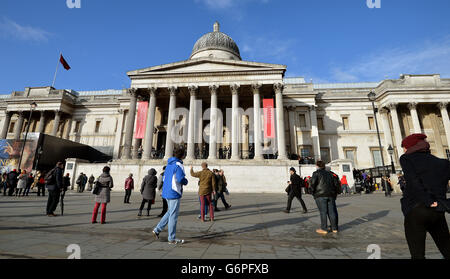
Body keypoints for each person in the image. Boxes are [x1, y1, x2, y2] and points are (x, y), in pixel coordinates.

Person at [399, 133, 450, 259]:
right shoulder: (443, 163)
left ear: (411, 147)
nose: (404, 150)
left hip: (416, 210)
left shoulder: (406, 159)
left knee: (417, 255)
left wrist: (427, 200)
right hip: (438, 211)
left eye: (404, 147)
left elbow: (413, 181)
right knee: (447, 249)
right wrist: (446, 203)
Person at [152, 148, 188, 244]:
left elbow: (164, 177)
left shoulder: (169, 164)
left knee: (170, 212)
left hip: (166, 191)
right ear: (182, 156)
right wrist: (186, 181)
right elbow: (180, 179)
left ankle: (157, 230)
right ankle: (171, 238)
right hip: (174, 192)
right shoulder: (178, 165)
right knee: (173, 216)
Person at [309, 161, 340, 235]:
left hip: (320, 195)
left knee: (323, 212)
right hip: (330, 195)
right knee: (331, 212)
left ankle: (324, 228)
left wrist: (312, 192)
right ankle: (334, 228)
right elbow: (335, 184)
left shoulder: (316, 173)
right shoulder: (330, 174)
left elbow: (312, 184)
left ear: (317, 166)